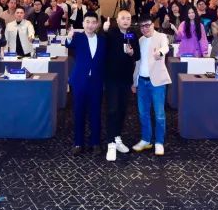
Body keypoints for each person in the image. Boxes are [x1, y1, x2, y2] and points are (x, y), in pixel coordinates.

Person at [99, 9, 140, 161]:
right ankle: (110, 143)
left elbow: (137, 55)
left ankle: (117, 138)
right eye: (123, 18)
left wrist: (131, 53)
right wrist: (103, 30)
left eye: (128, 18)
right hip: (112, 78)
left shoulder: (132, 34)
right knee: (112, 109)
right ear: (117, 20)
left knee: (122, 110)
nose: (126, 21)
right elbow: (101, 44)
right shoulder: (111, 33)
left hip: (126, 78)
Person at [65, 12, 106, 155]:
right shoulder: (78, 37)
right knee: (79, 112)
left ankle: (95, 143)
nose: (90, 25)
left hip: (96, 82)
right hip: (79, 81)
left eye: (93, 22)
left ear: (97, 24)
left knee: (96, 112)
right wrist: (69, 37)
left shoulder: (102, 40)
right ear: (83, 23)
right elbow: (68, 44)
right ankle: (78, 143)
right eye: (87, 22)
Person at [131, 15, 170, 156]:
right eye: (142, 26)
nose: (145, 28)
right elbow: (137, 62)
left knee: (159, 114)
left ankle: (159, 142)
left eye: (147, 25)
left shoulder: (161, 37)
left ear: (153, 24)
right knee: (143, 113)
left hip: (157, 82)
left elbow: (165, 47)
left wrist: (160, 52)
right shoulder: (140, 40)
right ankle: (146, 139)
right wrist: (134, 82)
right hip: (142, 81)